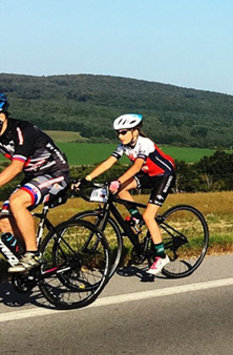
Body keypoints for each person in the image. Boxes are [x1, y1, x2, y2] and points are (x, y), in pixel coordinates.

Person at [77, 114, 176, 275]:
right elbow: (109, 162)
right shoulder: (124, 146)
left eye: (123, 132)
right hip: (148, 174)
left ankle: (161, 256)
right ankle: (135, 217)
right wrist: (86, 178)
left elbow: (137, 167)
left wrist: (118, 180)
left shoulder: (145, 144)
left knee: (149, 216)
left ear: (135, 131)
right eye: (118, 133)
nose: (120, 136)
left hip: (164, 175)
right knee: (120, 189)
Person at [0, 92, 70, 273]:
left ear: (1, 115)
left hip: (55, 172)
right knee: (4, 220)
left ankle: (33, 254)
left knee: (17, 202)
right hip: (33, 177)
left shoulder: (23, 131)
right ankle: (28, 264)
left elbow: (15, 168)